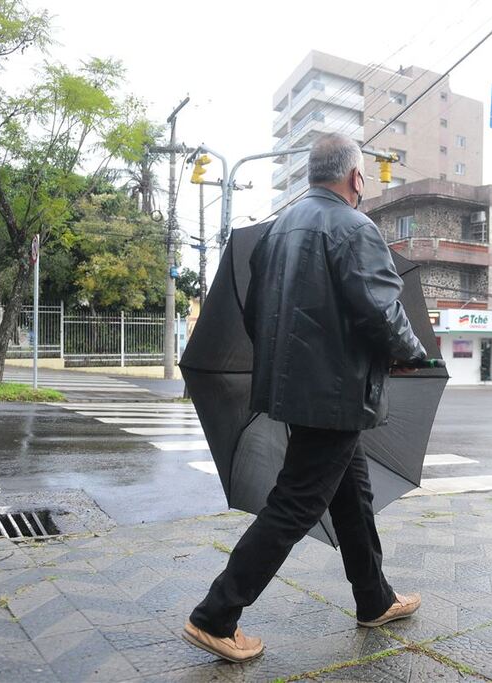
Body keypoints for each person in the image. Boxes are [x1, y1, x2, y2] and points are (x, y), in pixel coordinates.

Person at [183, 133, 427, 663]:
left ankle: (374, 598)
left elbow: (255, 314)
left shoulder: (276, 233)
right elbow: (382, 307)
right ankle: (216, 615)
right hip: (335, 393)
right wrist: (409, 353)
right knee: (295, 505)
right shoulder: (355, 227)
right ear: (356, 178)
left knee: (351, 495)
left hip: (296, 388)